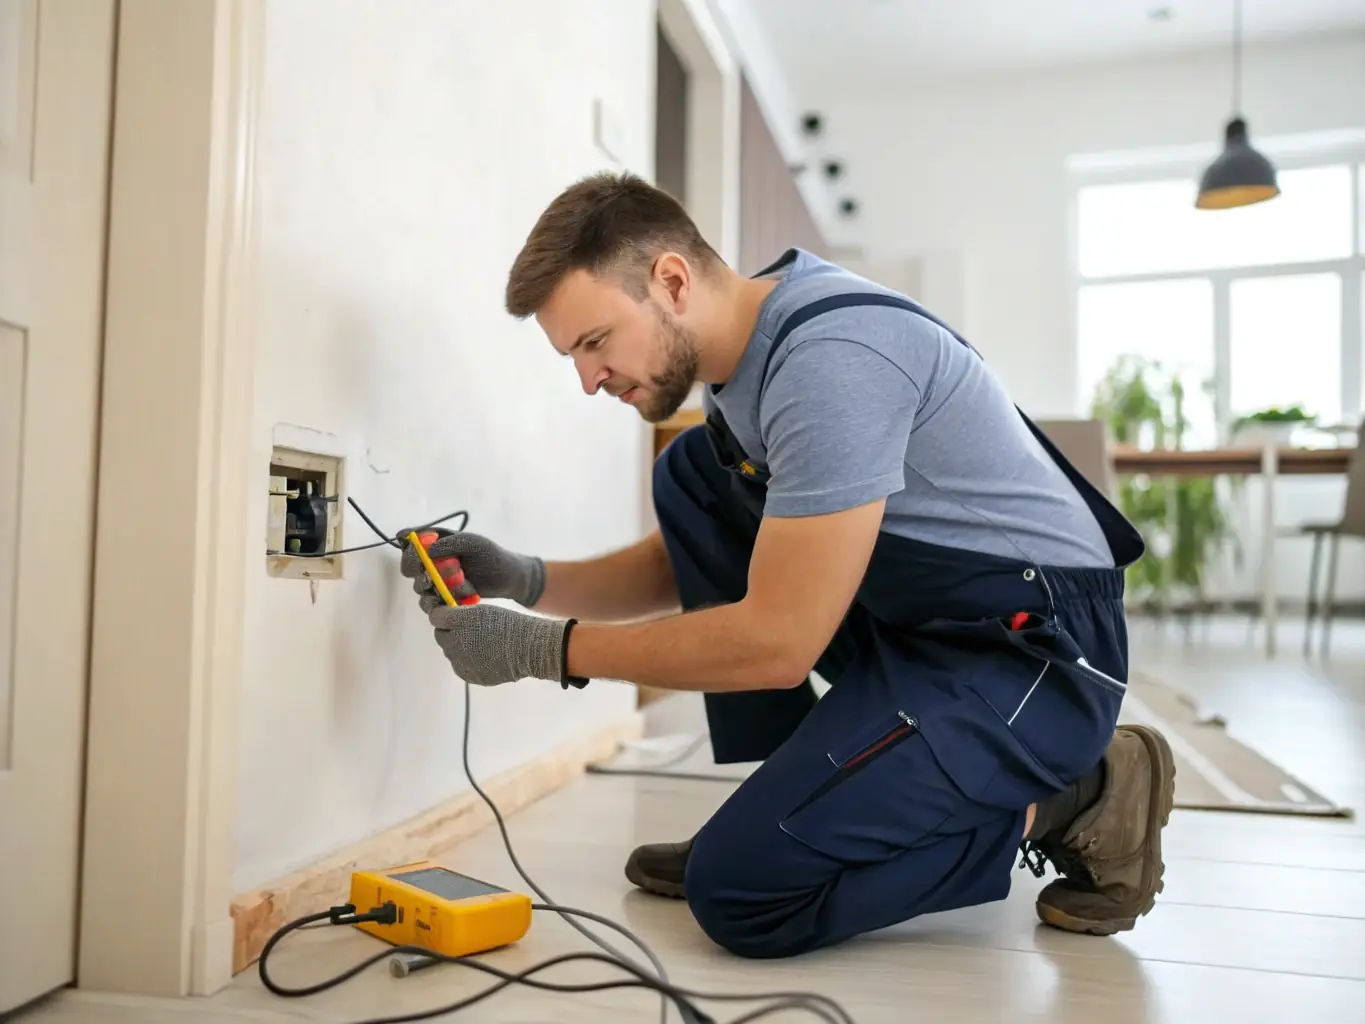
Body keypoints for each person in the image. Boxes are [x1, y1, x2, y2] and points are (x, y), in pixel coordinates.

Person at [400, 172, 1175, 960]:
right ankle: (806, 801)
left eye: (594, 341)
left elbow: (776, 643)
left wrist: (542, 649)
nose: (588, 378)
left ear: (670, 280)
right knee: (695, 476)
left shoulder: (830, 361)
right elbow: (698, 559)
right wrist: (526, 578)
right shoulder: (743, 366)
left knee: (744, 892)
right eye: (573, 355)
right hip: (927, 629)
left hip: (1032, 655)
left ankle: (1079, 795)